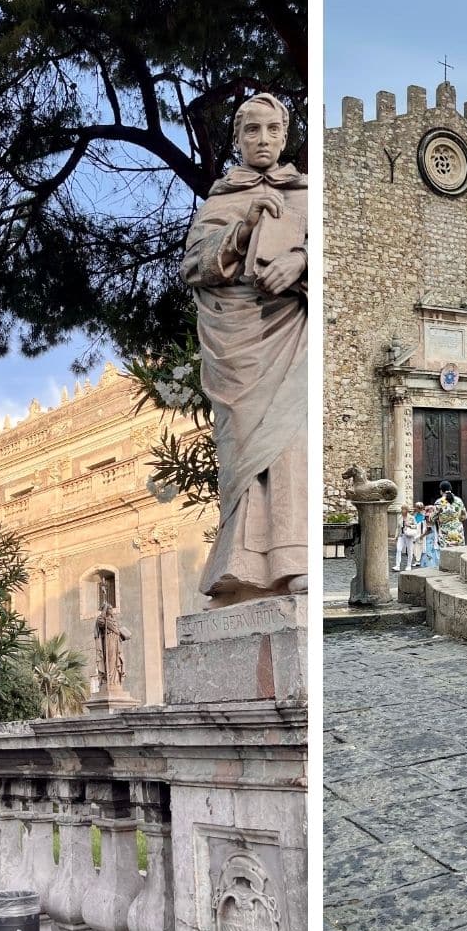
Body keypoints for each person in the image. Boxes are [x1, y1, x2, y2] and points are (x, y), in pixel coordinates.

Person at [181, 92, 307, 605]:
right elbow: (193, 268)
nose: (263, 140)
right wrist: (245, 228)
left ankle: (291, 559)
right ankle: (241, 566)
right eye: (251, 131)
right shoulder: (219, 201)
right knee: (243, 460)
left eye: (272, 130)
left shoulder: (306, 193)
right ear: (237, 139)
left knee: (289, 445)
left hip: (289, 335)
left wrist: (301, 263)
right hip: (236, 347)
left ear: (285, 136)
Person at [393, 504, 418, 571]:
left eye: (403, 509)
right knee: (398, 549)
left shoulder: (411, 517)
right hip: (401, 535)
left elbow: (416, 526)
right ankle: (397, 566)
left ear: (406, 510)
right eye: (402, 509)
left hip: (409, 535)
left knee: (410, 551)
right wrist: (396, 536)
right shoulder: (399, 517)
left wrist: (409, 525)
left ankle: (409, 565)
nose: (402, 510)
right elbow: (397, 527)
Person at [412, 501, 425, 566]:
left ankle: (418, 560)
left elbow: (424, 524)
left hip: (421, 531)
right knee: (415, 546)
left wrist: (422, 534)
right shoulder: (415, 514)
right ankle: (417, 560)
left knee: (419, 546)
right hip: (415, 531)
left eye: (416, 507)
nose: (415, 508)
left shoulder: (424, 515)